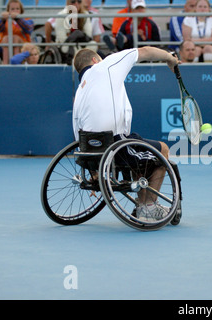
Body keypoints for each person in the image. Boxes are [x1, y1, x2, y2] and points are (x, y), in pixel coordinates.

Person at [72, 46, 180, 219]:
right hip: (116, 146)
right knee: (163, 150)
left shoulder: (80, 91)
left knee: (139, 148)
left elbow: (79, 138)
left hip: (94, 156)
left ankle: (143, 205)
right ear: (95, 60)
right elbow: (144, 51)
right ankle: (149, 206)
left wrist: (93, 170)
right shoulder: (105, 65)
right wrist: (169, 58)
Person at [55, 0, 97, 64]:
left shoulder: (85, 14)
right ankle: (80, 64)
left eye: (79, 1)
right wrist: (77, 35)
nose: (76, 4)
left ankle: (79, 63)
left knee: (93, 44)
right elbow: (62, 39)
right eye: (73, 1)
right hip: (67, 44)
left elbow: (88, 35)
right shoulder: (61, 15)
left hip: (81, 44)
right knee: (67, 48)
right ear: (68, 3)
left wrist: (77, 35)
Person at [0, 0, 34, 64]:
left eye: (17, 9)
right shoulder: (5, 20)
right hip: (5, 44)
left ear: (21, 10)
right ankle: (5, 64)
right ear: (8, 10)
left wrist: (18, 19)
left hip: (23, 45)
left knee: (15, 38)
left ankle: (16, 63)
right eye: (12, 9)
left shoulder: (27, 19)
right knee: (6, 38)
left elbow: (28, 28)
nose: (15, 11)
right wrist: (2, 19)